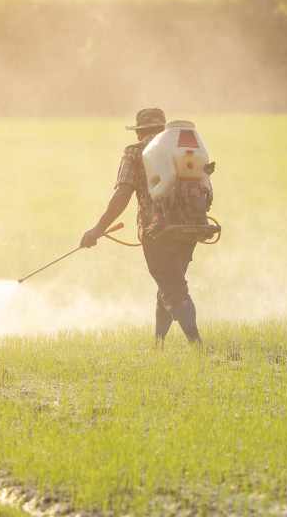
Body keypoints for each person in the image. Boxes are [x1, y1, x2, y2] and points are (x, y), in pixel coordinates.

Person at [81, 107, 202, 345]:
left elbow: (122, 194)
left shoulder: (135, 152)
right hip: (190, 227)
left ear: (139, 132)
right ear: (163, 129)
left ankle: (197, 345)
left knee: (173, 289)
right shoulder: (180, 149)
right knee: (169, 285)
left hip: (157, 231)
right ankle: (158, 344)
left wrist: (97, 229)